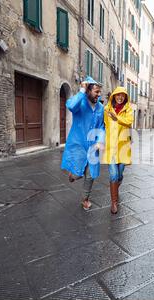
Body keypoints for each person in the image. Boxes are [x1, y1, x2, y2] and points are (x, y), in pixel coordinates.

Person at [61, 77, 105, 211]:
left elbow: (102, 126)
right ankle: (73, 175)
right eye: (96, 92)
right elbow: (70, 106)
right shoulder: (79, 102)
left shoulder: (100, 107)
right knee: (78, 173)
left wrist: (100, 141)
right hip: (78, 144)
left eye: (99, 92)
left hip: (93, 146)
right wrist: (81, 91)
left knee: (91, 175)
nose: (99, 94)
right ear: (88, 90)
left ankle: (85, 199)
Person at [101, 87, 134, 214]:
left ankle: (116, 186)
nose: (120, 97)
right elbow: (104, 125)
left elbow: (129, 121)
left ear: (125, 97)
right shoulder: (107, 110)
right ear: (113, 96)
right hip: (111, 147)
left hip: (123, 147)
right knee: (113, 175)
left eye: (122, 95)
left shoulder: (128, 109)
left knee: (119, 174)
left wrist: (116, 118)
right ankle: (114, 202)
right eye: (117, 95)